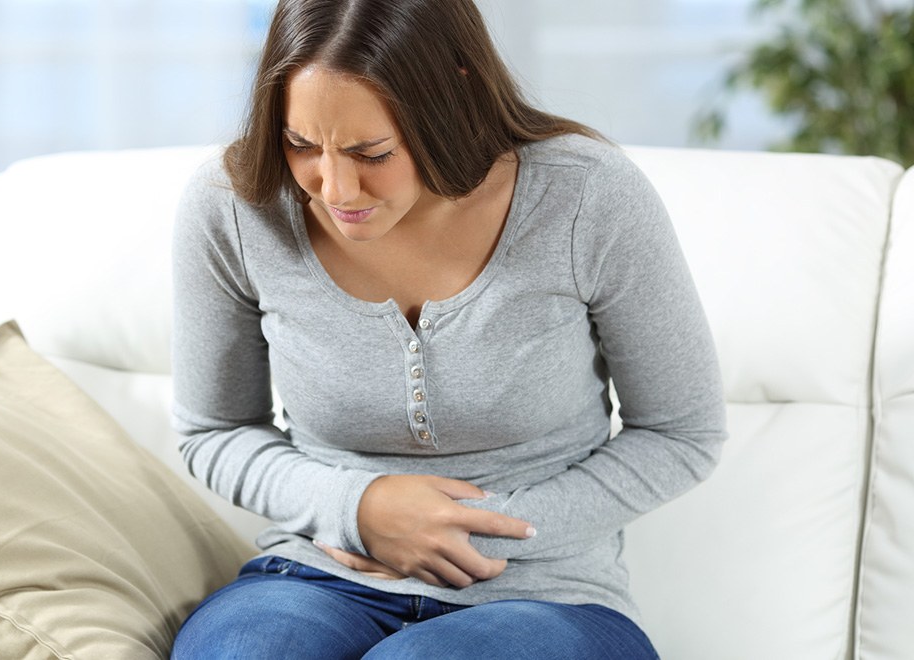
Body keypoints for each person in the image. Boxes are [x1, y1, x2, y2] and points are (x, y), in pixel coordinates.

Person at [169, 0, 727, 657]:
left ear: (450, 91)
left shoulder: (586, 197)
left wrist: (461, 531)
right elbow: (214, 430)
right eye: (301, 145)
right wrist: (358, 511)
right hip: (316, 575)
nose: (335, 188)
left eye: (371, 152)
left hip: (547, 596)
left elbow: (681, 433)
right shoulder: (234, 207)